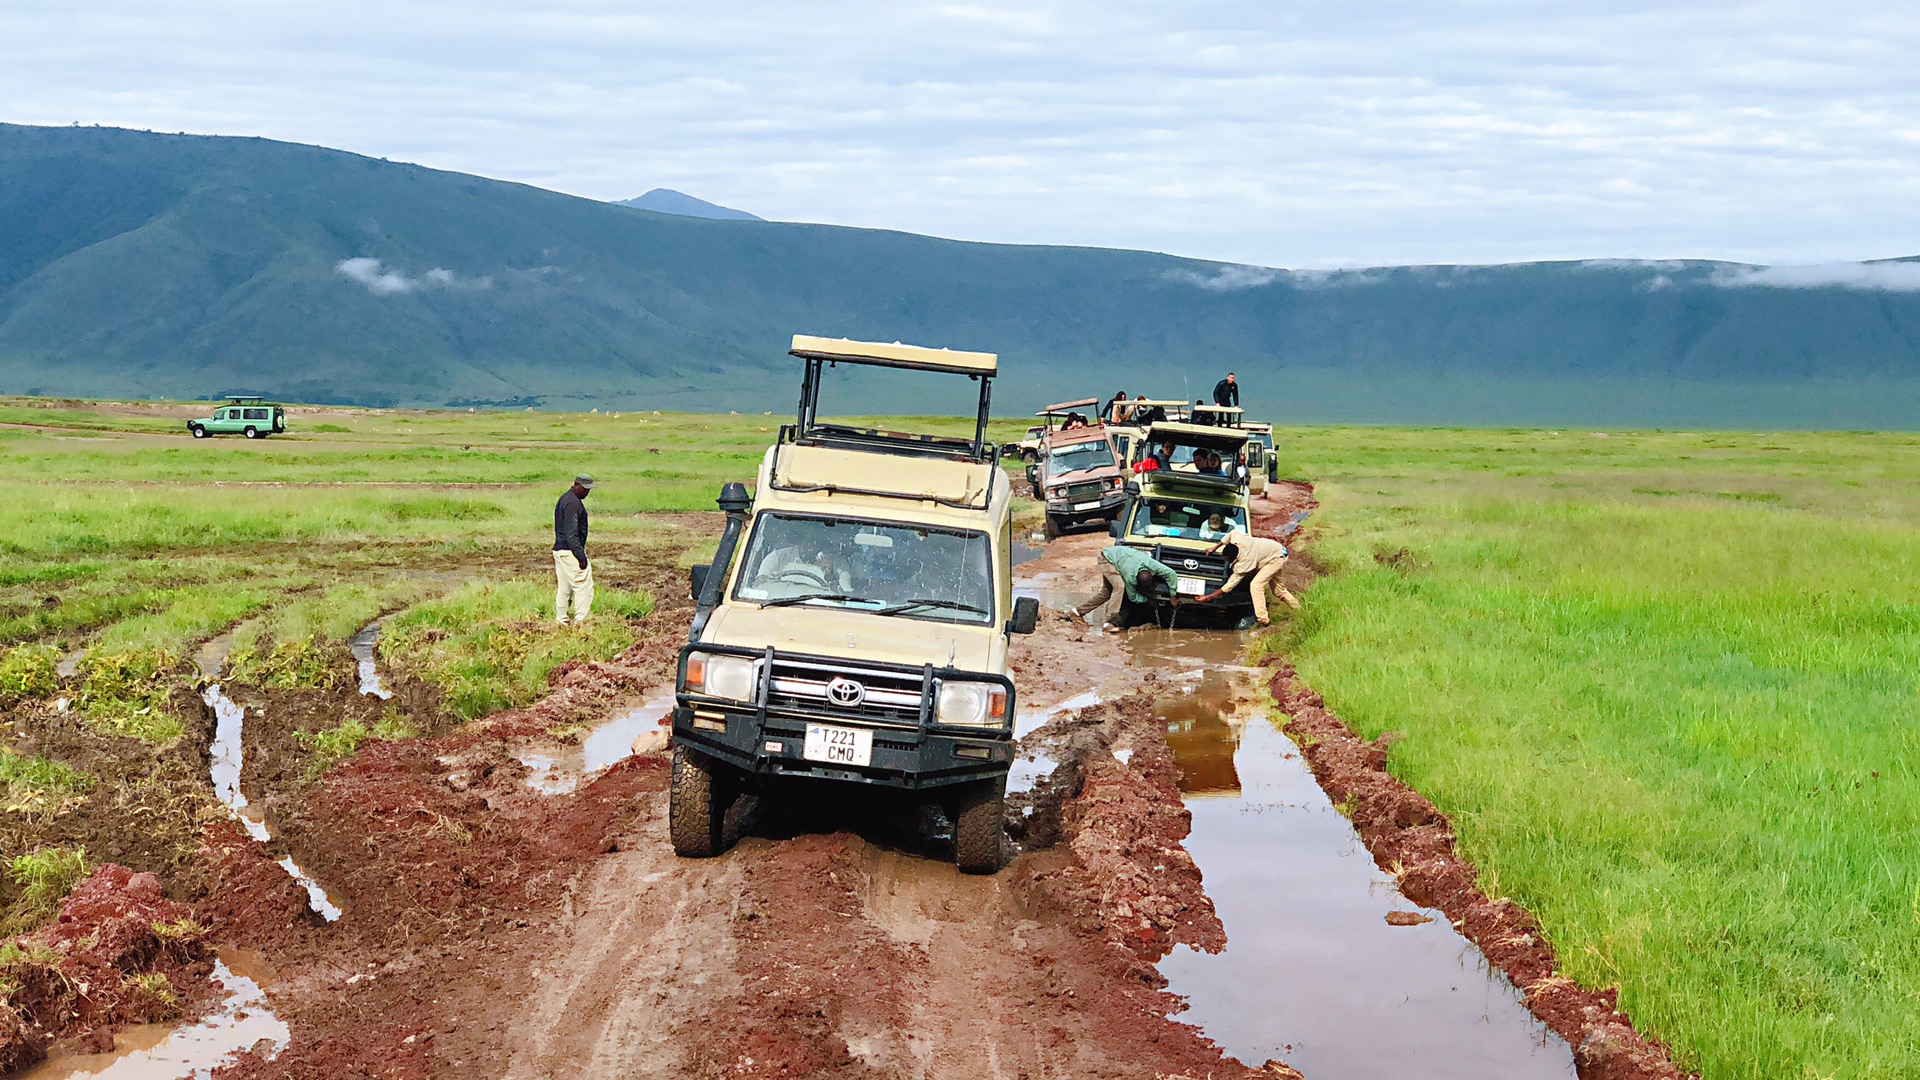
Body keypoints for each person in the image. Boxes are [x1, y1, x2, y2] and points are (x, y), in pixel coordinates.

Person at [1192, 527, 1298, 627]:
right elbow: (1232, 533)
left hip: (1276, 558)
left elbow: (1229, 586)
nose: (1226, 561)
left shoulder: (1245, 562)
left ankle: (1263, 620)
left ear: (1234, 557)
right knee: (1278, 590)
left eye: (1227, 560)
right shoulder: (1238, 539)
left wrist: (1208, 597)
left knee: (1256, 585)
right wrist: (1214, 548)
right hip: (1276, 550)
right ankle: (1299, 609)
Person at [1071, 545, 1181, 630]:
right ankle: (1110, 622)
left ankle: (1077, 611)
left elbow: (1171, 574)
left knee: (1106, 593)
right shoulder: (1130, 577)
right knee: (1119, 587)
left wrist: (1173, 596)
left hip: (1121, 557)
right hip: (1107, 558)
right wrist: (1148, 600)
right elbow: (1132, 597)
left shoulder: (1153, 565)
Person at [553, 474, 595, 624]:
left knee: (564, 588)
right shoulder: (573, 504)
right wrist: (581, 556)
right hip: (570, 551)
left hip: (559, 549)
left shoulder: (564, 499)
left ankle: (562, 620)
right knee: (583, 585)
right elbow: (572, 533)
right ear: (576, 485)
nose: (587, 492)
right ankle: (581, 622)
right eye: (585, 489)